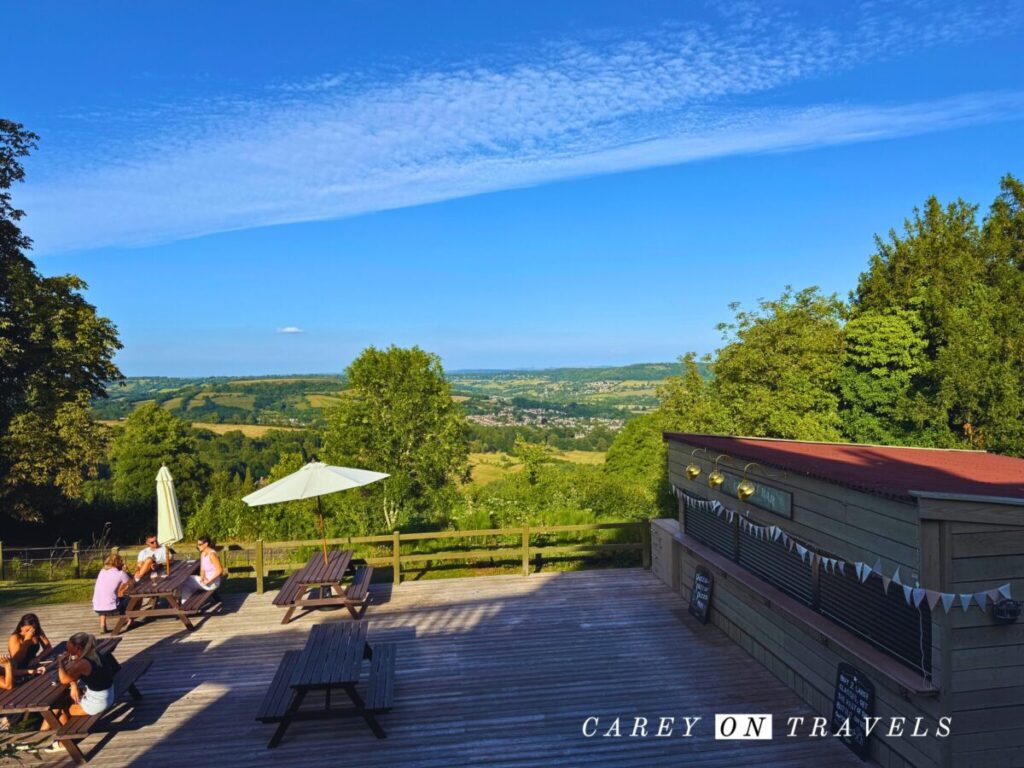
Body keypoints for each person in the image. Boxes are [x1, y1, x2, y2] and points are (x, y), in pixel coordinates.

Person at [55, 633, 117, 721]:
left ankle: (64, 731)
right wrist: (73, 685)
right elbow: (73, 677)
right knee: (63, 701)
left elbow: (64, 680)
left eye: (68, 647)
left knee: (61, 712)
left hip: (98, 702)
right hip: (108, 694)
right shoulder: (94, 653)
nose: (66, 649)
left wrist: (60, 662)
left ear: (77, 648)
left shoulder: (82, 663)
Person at [92, 554, 132, 634]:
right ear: (118, 563)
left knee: (104, 597)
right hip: (112, 607)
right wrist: (126, 571)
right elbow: (131, 583)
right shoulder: (121, 574)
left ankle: (102, 625)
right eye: (121, 561)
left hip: (97, 605)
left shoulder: (102, 571)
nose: (122, 562)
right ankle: (129, 620)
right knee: (131, 598)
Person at [181, 536, 223, 601]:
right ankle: (186, 603)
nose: (198, 546)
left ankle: (185, 604)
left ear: (206, 544)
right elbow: (202, 569)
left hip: (213, 583)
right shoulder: (203, 554)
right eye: (197, 545)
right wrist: (202, 577)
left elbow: (220, 570)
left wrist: (209, 581)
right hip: (205, 581)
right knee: (186, 582)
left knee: (186, 582)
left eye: (200, 544)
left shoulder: (212, 555)